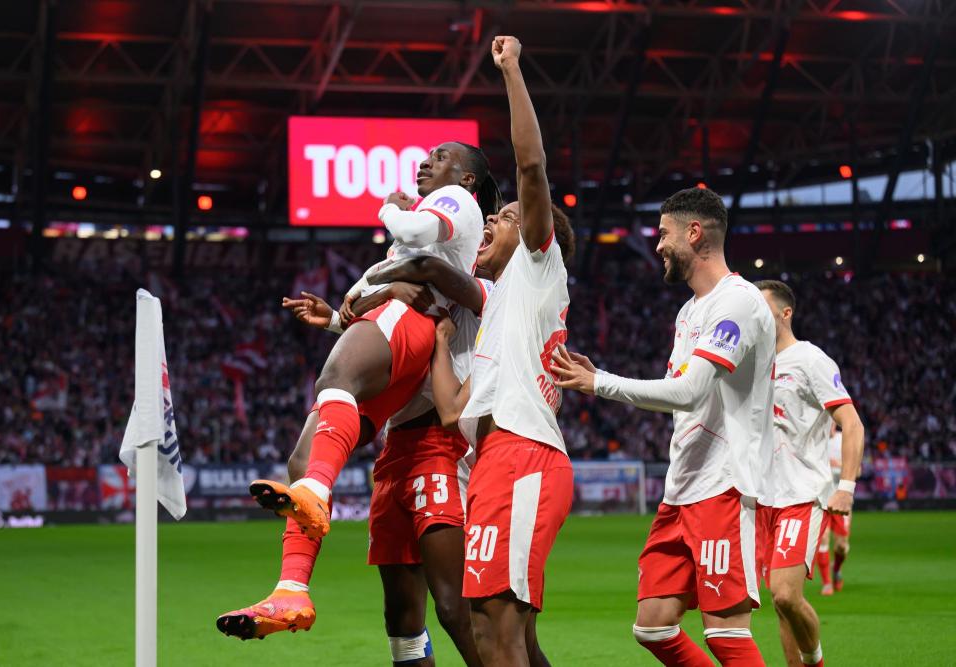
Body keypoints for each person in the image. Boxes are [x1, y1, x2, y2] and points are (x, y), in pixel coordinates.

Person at [216, 140, 502, 646]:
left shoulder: (455, 205)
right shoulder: (435, 241)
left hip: (430, 409)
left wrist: (391, 208)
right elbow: (378, 290)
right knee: (304, 460)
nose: (426, 162)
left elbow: (413, 252)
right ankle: (291, 588)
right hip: (401, 407)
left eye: (440, 156)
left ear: (468, 180)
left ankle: (315, 496)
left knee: (333, 385)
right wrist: (344, 312)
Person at [551, 186, 774, 666]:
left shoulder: (739, 302)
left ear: (694, 234)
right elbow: (681, 396)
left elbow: (691, 391)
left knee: (725, 635)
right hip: (682, 491)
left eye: (663, 234)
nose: (657, 246)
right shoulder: (688, 312)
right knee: (652, 626)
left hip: (725, 486)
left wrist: (600, 382)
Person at [427, 35, 577, 667]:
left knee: (501, 634)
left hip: (522, 459)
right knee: (491, 631)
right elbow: (447, 411)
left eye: (508, 217)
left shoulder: (540, 268)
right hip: (493, 460)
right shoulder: (496, 314)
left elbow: (531, 166)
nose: (492, 221)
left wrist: (512, 70)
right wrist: (438, 341)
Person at [755, 279, 865, 667]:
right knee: (780, 604)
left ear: (786, 313)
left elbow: (851, 423)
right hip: (760, 499)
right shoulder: (753, 365)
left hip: (800, 494)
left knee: (785, 594)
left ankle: (815, 661)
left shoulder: (810, 360)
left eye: (763, 311)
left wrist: (846, 487)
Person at [816, 424, 852, 596]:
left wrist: (838, 466)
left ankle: (836, 569)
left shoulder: (843, 439)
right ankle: (826, 583)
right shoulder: (814, 439)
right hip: (820, 497)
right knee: (823, 538)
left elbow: (857, 470)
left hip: (840, 499)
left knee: (842, 546)